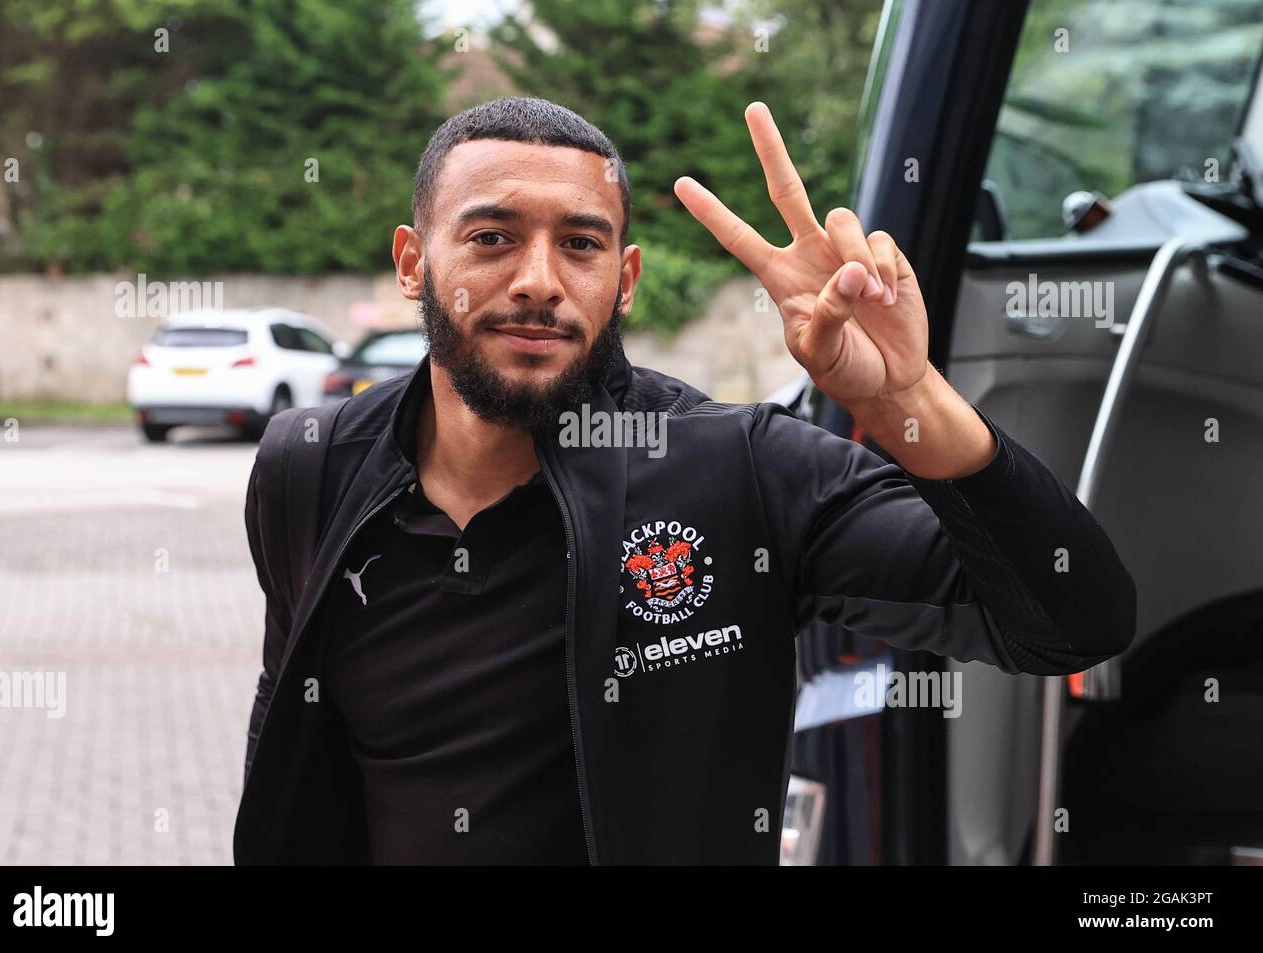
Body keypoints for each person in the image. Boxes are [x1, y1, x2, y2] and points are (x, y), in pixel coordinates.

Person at [233, 96, 1135, 865]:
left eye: (580, 245)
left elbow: (1070, 620)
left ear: (623, 281)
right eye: (494, 237)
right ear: (412, 263)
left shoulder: (739, 468)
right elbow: (293, 743)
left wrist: (909, 396)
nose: (539, 281)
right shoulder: (309, 465)